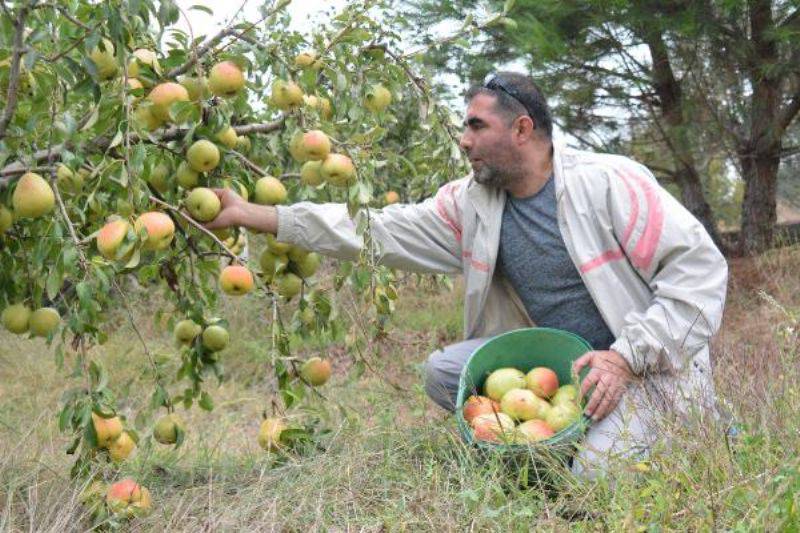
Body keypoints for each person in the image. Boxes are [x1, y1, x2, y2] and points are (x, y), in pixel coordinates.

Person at [204, 71, 728, 479]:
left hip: (642, 369)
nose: (463, 139)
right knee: (444, 373)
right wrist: (259, 216)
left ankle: (678, 428)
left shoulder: (611, 184)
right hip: (558, 369)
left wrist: (625, 357)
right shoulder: (473, 204)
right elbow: (376, 232)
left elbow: (699, 274)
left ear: (522, 129)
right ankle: (549, 444)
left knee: (598, 478)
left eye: (476, 126)